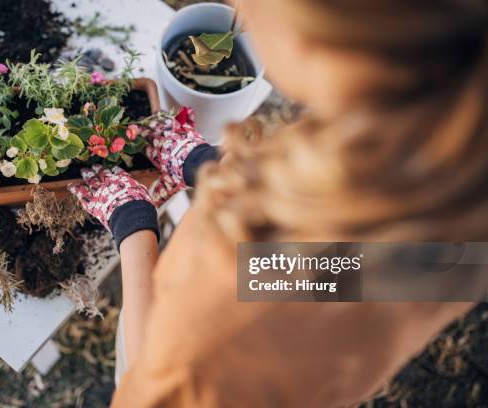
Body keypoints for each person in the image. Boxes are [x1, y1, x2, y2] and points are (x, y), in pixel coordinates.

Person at [68, 1, 488, 406]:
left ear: (312, 37)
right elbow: (343, 271)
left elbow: (149, 379)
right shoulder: (451, 131)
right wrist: (206, 164)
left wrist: (135, 224)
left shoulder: (230, 307)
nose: (242, 15)